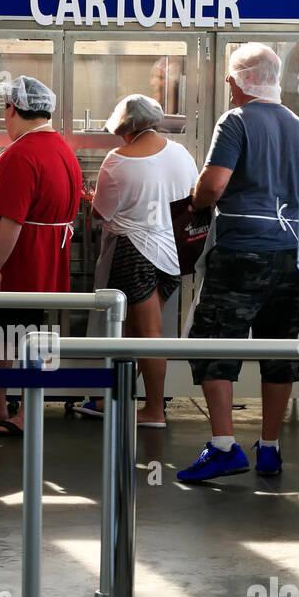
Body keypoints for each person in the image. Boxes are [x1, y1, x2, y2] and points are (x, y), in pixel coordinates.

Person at [177, 42, 299, 483]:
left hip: (243, 253)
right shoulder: (298, 125)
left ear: (237, 83)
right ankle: (270, 448)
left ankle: (223, 447)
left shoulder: (236, 121)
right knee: (280, 348)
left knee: (214, 341)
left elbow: (213, 185)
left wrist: (196, 201)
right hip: (294, 255)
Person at [78, 94, 197, 428]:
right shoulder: (181, 153)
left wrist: (92, 199)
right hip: (175, 254)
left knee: (147, 334)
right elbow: (192, 196)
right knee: (137, 331)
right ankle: (117, 396)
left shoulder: (119, 161)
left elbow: (101, 211)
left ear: (126, 127)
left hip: (135, 252)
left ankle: (154, 410)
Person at [0, 75, 82, 437]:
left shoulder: (22, 153)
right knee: (23, 332)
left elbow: (12, 221)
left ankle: (16, 413)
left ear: (11, 109)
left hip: (22, 258)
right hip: (49, 254)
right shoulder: (62, 147)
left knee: (6, 333)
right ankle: (0, 407)